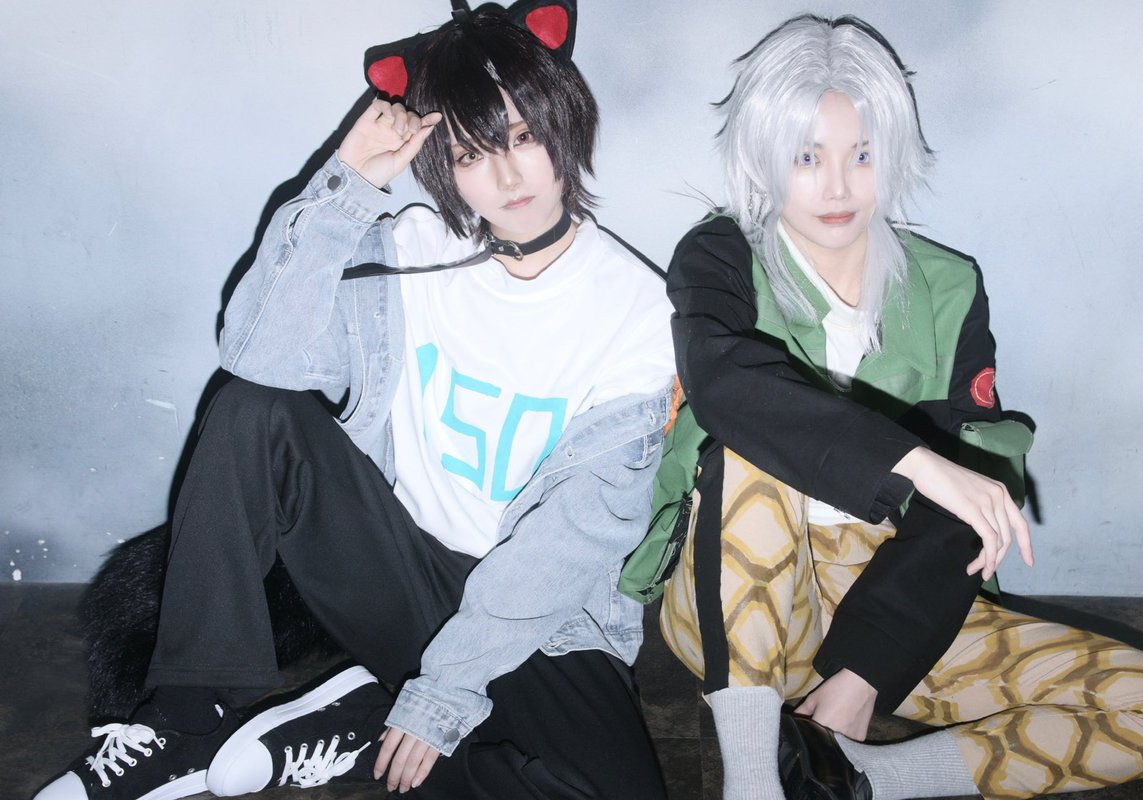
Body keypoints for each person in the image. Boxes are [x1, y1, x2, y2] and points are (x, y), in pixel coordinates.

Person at [34, 2, 674, 799]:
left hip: (546, 622)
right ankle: (186, 722)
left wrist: (443, 691)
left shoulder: (638, 314)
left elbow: (568, 544)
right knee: (255, 410)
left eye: (522, 137)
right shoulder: (412, 250)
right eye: (472, 153)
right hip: (397, 572)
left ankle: (368, 713)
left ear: (563, 122)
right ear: (443, 163)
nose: (508, 178)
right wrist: (349, 183)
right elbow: (257, 355)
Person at [653, 13, 1143, 800]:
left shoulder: (948, 287)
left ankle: (865, 779)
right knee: (751, 454)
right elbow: (724, 382)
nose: (838, 186)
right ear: (764, 156)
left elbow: (976, 486)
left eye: (862, 154)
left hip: (890, 590)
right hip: (734, 596)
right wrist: (916, 463)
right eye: (807, 156)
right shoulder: (720, 254)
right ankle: (752, 781)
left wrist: (866, 674)